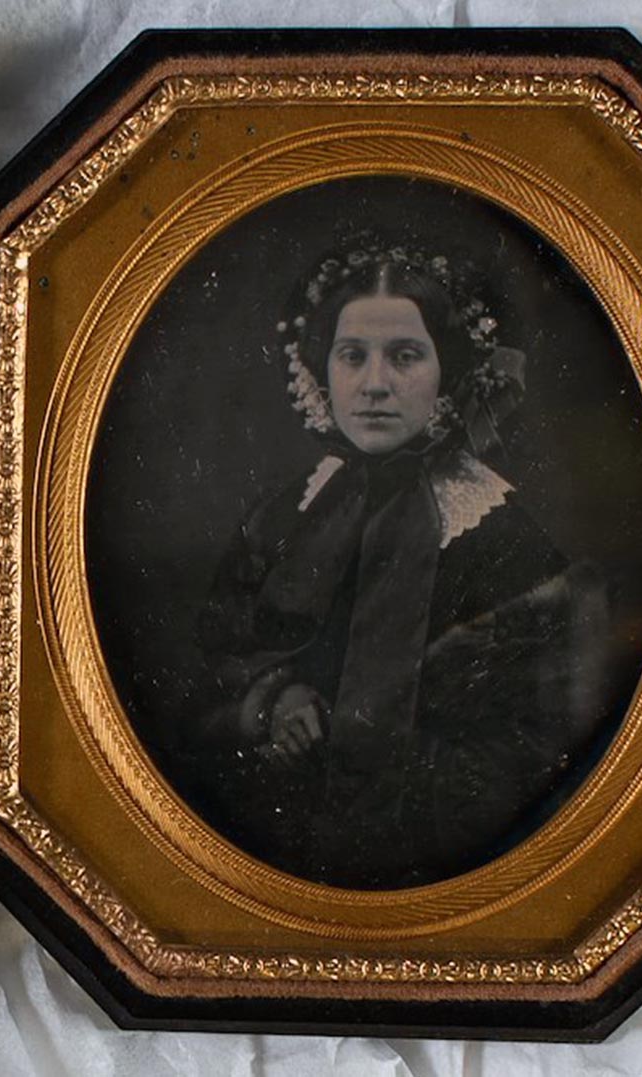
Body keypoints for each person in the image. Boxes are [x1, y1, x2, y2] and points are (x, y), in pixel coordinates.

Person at [191, 240, 613, 889]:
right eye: (352, 356)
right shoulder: (286, 515)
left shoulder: (510, 545)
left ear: (452, 369)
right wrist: (272, 701)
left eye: (406, 355)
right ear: (322, 369)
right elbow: (209, 670)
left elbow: (537, 762)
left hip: (441, 877)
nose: (375, 383)